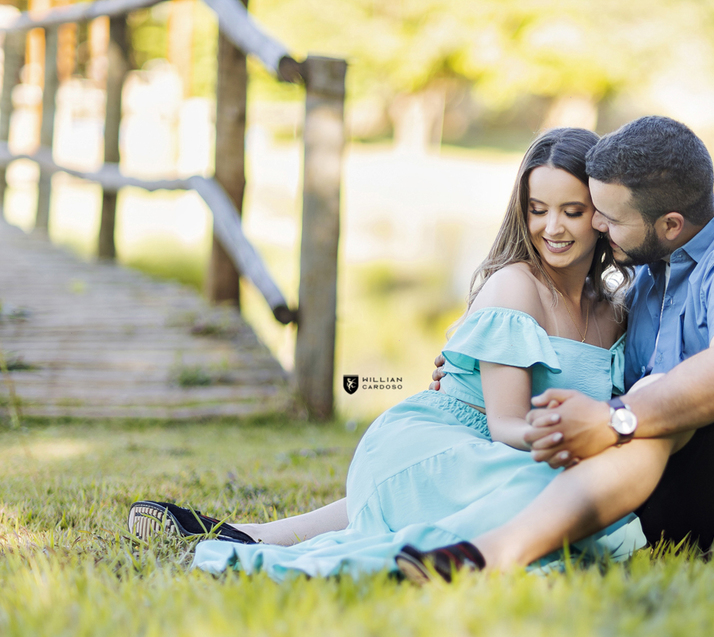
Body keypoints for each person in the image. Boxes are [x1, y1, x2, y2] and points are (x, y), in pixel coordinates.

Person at [128, 127, 649, 582]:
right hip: (452, 443)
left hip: (488, 459)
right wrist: (591, 433)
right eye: (537, 210)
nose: (552, 228)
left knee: (575, 487)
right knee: (560, 486)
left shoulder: (615, 312)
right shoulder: (517, 286)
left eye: (572, 212)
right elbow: (506, 427)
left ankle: (248, 535)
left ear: (602, 216)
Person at [429, 116, 714, 575]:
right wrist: (476, 358)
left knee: (659, 399)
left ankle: (499, 551)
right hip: (645, 480)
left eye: (610, 217)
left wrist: (615, 419)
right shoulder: (651, 269)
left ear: (670, 224)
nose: (597, 223)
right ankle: (468, 542)